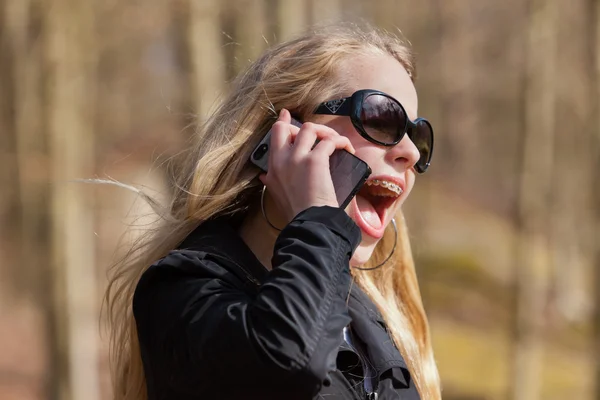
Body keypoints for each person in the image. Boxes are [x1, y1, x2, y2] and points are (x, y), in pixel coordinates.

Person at [105, 23, 441, 400]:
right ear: (285, 136)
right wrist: (318, 218)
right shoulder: (182, 291)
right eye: (382, 118)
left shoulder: (366, 320)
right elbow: (287, 365)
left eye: (419, 136)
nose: (410, 152)